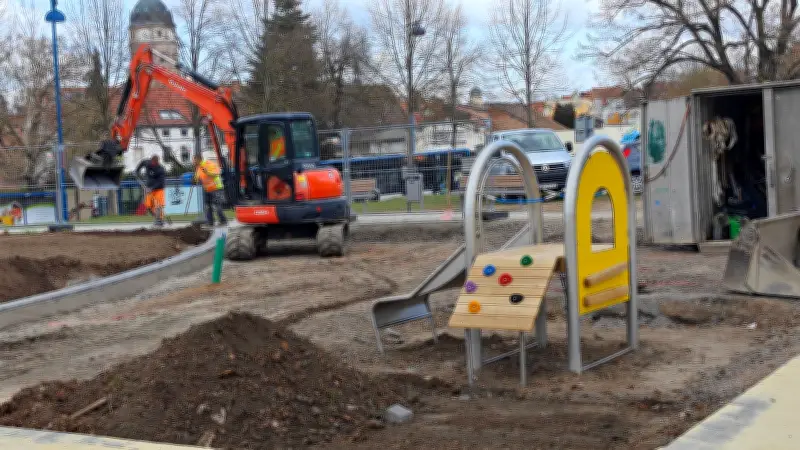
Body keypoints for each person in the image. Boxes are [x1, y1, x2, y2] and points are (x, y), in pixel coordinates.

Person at [193, 153, 228, 226]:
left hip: (216, 187)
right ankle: (210, 222)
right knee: (207, 206)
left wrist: (207, 172)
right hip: (207, 189)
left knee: (217, 206)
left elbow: (217, 173)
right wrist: (195, 180)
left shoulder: (209, 164)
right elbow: (197, 178)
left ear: (198, 159)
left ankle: (223, 221)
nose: (193, 162)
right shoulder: (198, 167)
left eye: (194, 160)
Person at [135, 154, 167, 226]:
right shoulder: (147, 163)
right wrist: (137, 170)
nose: (152, 165)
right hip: (149, 188)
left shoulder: (160, 169)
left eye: (154, 164)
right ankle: (158, 218)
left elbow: (160, 182)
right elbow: (142, 163)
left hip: (159, 189)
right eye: (152, 163)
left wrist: (151, 188)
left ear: (157, 162)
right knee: (148, 206)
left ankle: (159, 220)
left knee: (158, 205)